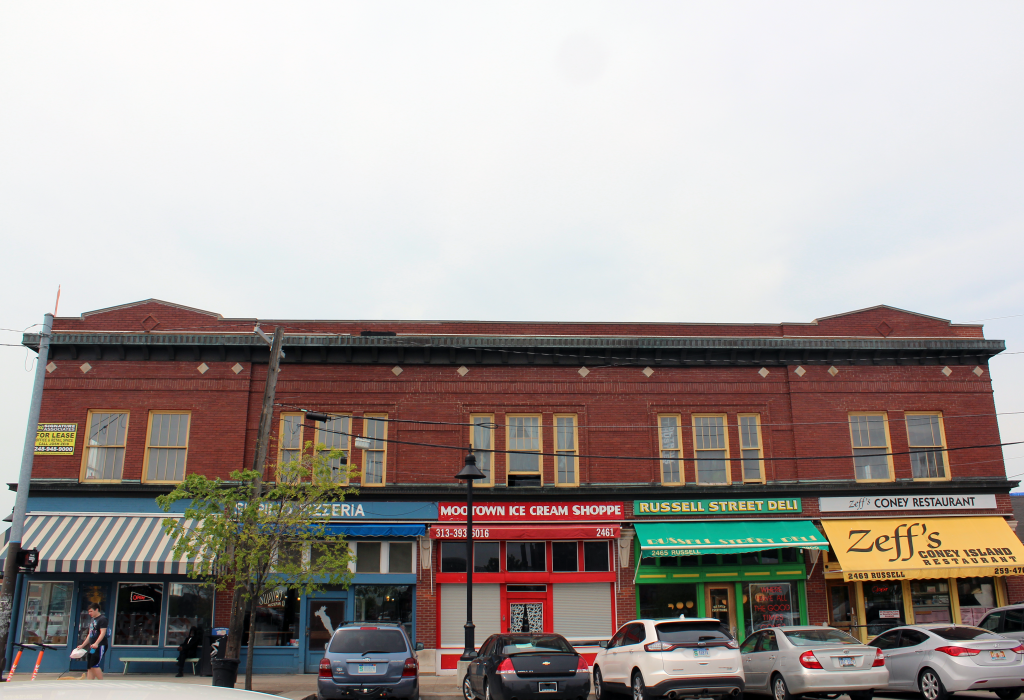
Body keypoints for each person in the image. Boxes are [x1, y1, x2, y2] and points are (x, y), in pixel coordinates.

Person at [76, 603, 108, 680]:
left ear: (96, 609)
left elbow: (103, 632)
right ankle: (89, 682)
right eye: (89, 611)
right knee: (90, 666)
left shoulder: (102, 619)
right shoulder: (93, 620)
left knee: (94, 664)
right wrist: (82, 645)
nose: (89, 613)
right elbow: (90, 634)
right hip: (92, 646)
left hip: (100, 645)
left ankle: (101, 682)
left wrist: (96, 643)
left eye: (91, 611)